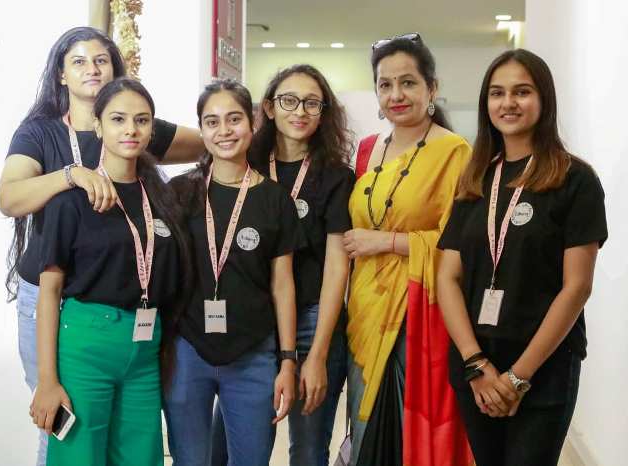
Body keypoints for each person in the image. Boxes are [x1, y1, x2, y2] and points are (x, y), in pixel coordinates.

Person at [0, 26, 203, 465]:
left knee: (133, 446)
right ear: (61, 74)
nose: (91, 69)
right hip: (54, 295)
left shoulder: (131, 122)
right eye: (78, 61)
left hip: (131, 316)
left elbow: (214, 140)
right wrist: (71, 175)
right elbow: (10, 199)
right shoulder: (40, 133)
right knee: (58, 421)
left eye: (101, 60)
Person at [436, 49, 607, 466]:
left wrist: (517, 377)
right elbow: (447, 277)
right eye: (497, 93)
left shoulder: (575, 179)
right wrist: (475, 362)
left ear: (544, 98)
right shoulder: (476, 178)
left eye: (522, 91)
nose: (508, 103)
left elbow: (577, 287)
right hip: (477, 365)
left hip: (543, 367)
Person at [211, 64, 354, 466]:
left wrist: (318, 355)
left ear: (324, 113)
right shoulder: (247, 165)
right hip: (254, 325)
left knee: (307, 450)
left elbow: (336, 269)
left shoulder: (336, 177)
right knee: (228, 445)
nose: (300, 111)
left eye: (312, 103)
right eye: (289, 101)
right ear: (270, 108)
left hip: (311, 322)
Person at [342, 33, 474, 466]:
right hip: (365, 308)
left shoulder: (454, 152)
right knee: (366, 433)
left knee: (408, 437)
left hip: (421, 313)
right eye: (385, 84)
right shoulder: (367, 151)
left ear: (431, 89)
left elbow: (463, 246)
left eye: (408, 83)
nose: (396, 94)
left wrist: (388, 242)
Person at [165, 79, 300, 466]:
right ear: (201, 129)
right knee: (190, 460)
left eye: (234, 119)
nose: (224, 131)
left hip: (253, 353)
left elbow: (283, 285)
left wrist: (287, 360)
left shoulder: (275, 199)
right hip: (188, 350)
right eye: (212, 122)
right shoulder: (179, 193)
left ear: (252, 123)